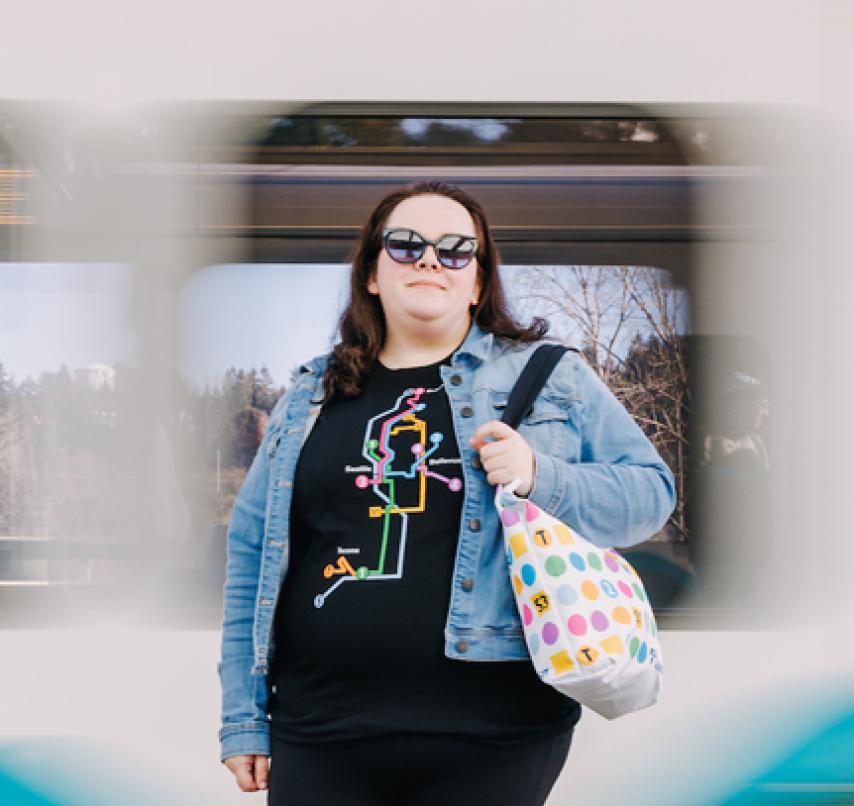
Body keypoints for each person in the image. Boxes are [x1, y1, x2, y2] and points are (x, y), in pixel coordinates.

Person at [218, 181, 676, 805]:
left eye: (457, 249)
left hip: (495, 737)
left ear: (479, 282)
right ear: (372, 275)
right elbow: (250, 554)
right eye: (406, 245)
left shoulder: (550, 376)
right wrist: (244, 714)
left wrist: (543, 474)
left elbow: (651, 495)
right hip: (319, 732)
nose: (431, 259)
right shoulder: (308, 394)